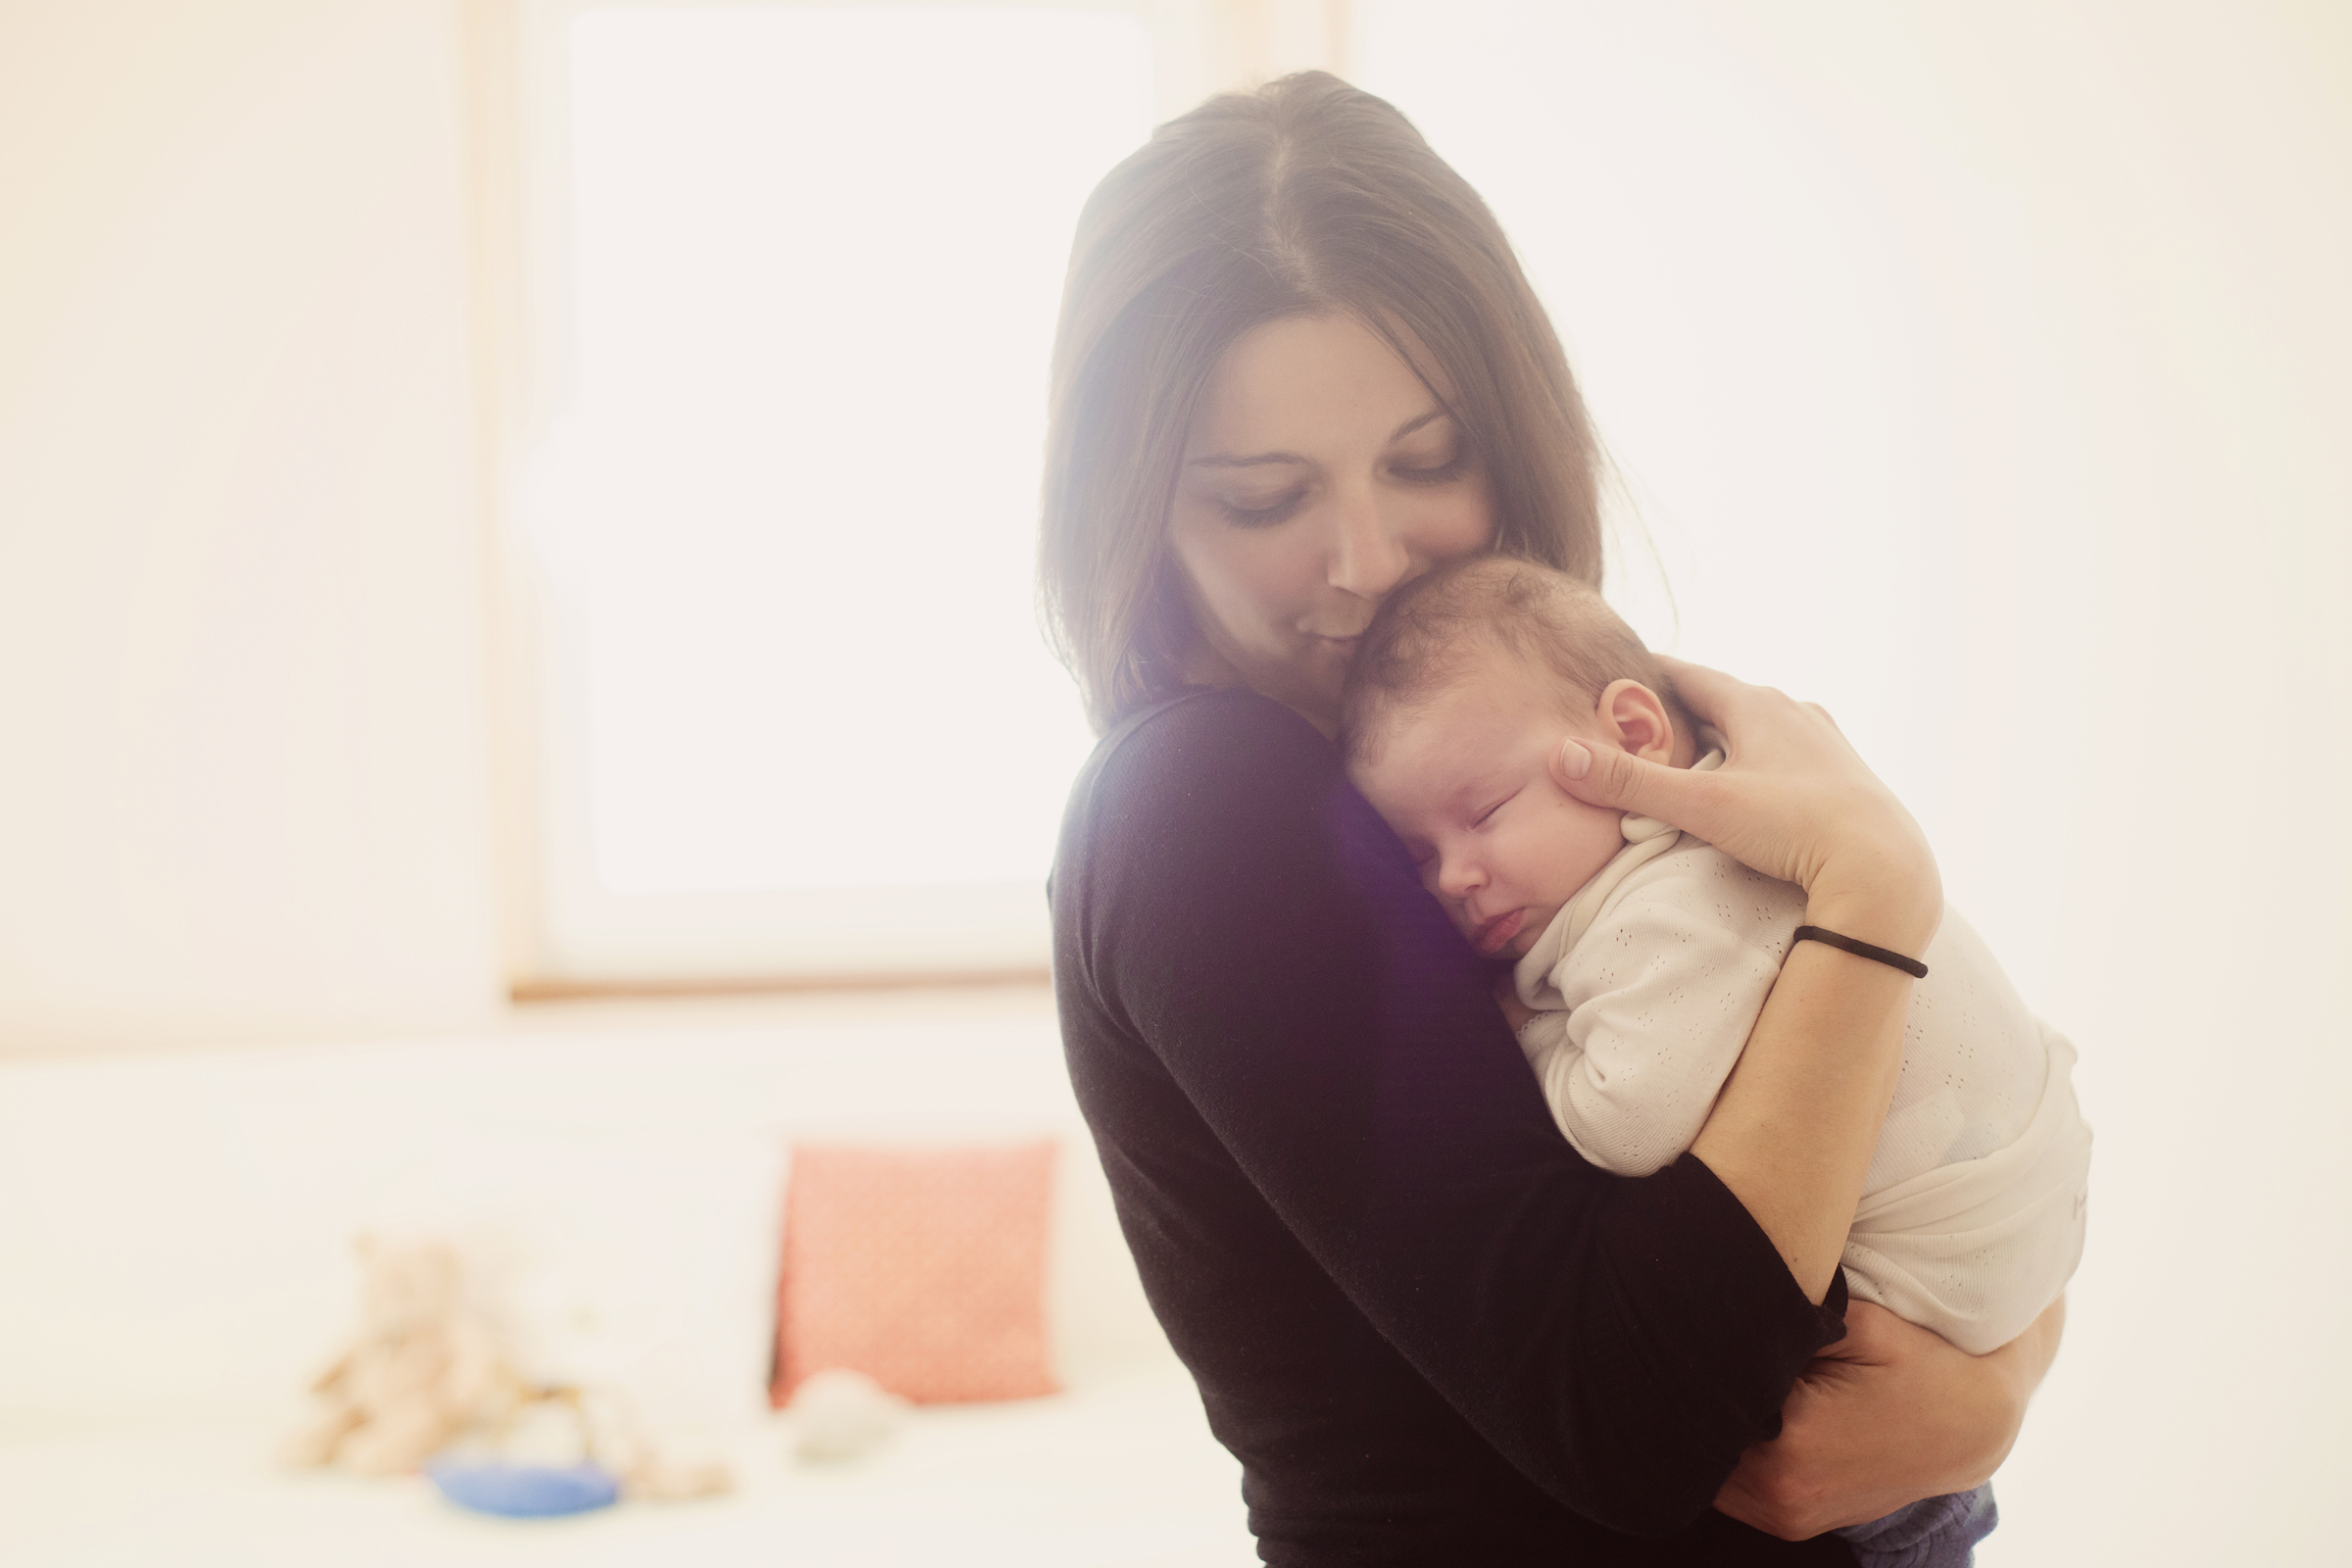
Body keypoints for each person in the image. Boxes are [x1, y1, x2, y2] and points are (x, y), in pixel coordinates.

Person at [1040, 73, 2064, 1564]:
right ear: (1137, 510)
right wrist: (1871, 900)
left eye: (1427, 461)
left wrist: (1996, 1383)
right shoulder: (1203, 805)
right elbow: (1640, 1418)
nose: (1366, 563)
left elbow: (1920, 1124)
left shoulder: (1524, 728)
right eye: (1265, 498)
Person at [1339, 556, 2093, 1567]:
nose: (1457, 876)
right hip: (2006, 1281)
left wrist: (1516, 1032)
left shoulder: (1668, 900)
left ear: (1633, 735)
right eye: (1419, 857)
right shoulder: (1702, 849)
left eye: (1481, 814)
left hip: (1923, 1340)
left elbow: (1630, 1123)